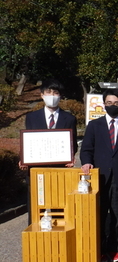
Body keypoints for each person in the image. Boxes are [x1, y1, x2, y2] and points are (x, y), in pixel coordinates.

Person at [80, 88, 118, 262]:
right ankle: (99, 249)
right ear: (104, 104)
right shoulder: (94, 126)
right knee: (99, 215)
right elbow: (86, 149)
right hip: (100, 177)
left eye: (117, 103)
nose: (113, 106)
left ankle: (114, 249)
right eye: (110, 103)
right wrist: (86, 162)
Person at [19, 79, 78, 224]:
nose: (52, 95)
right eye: (48, 92)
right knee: (35, 207)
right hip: (37, 171)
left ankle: (58, 238)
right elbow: (28, 142)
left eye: (55, 92)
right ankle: (36, 238)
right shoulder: (32, 117)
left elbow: (73, 143)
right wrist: (23, 158)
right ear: (42, 95)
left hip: (59, 170)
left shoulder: (69, 118)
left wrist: (70, 158)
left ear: (60, 96)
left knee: (59, 206)